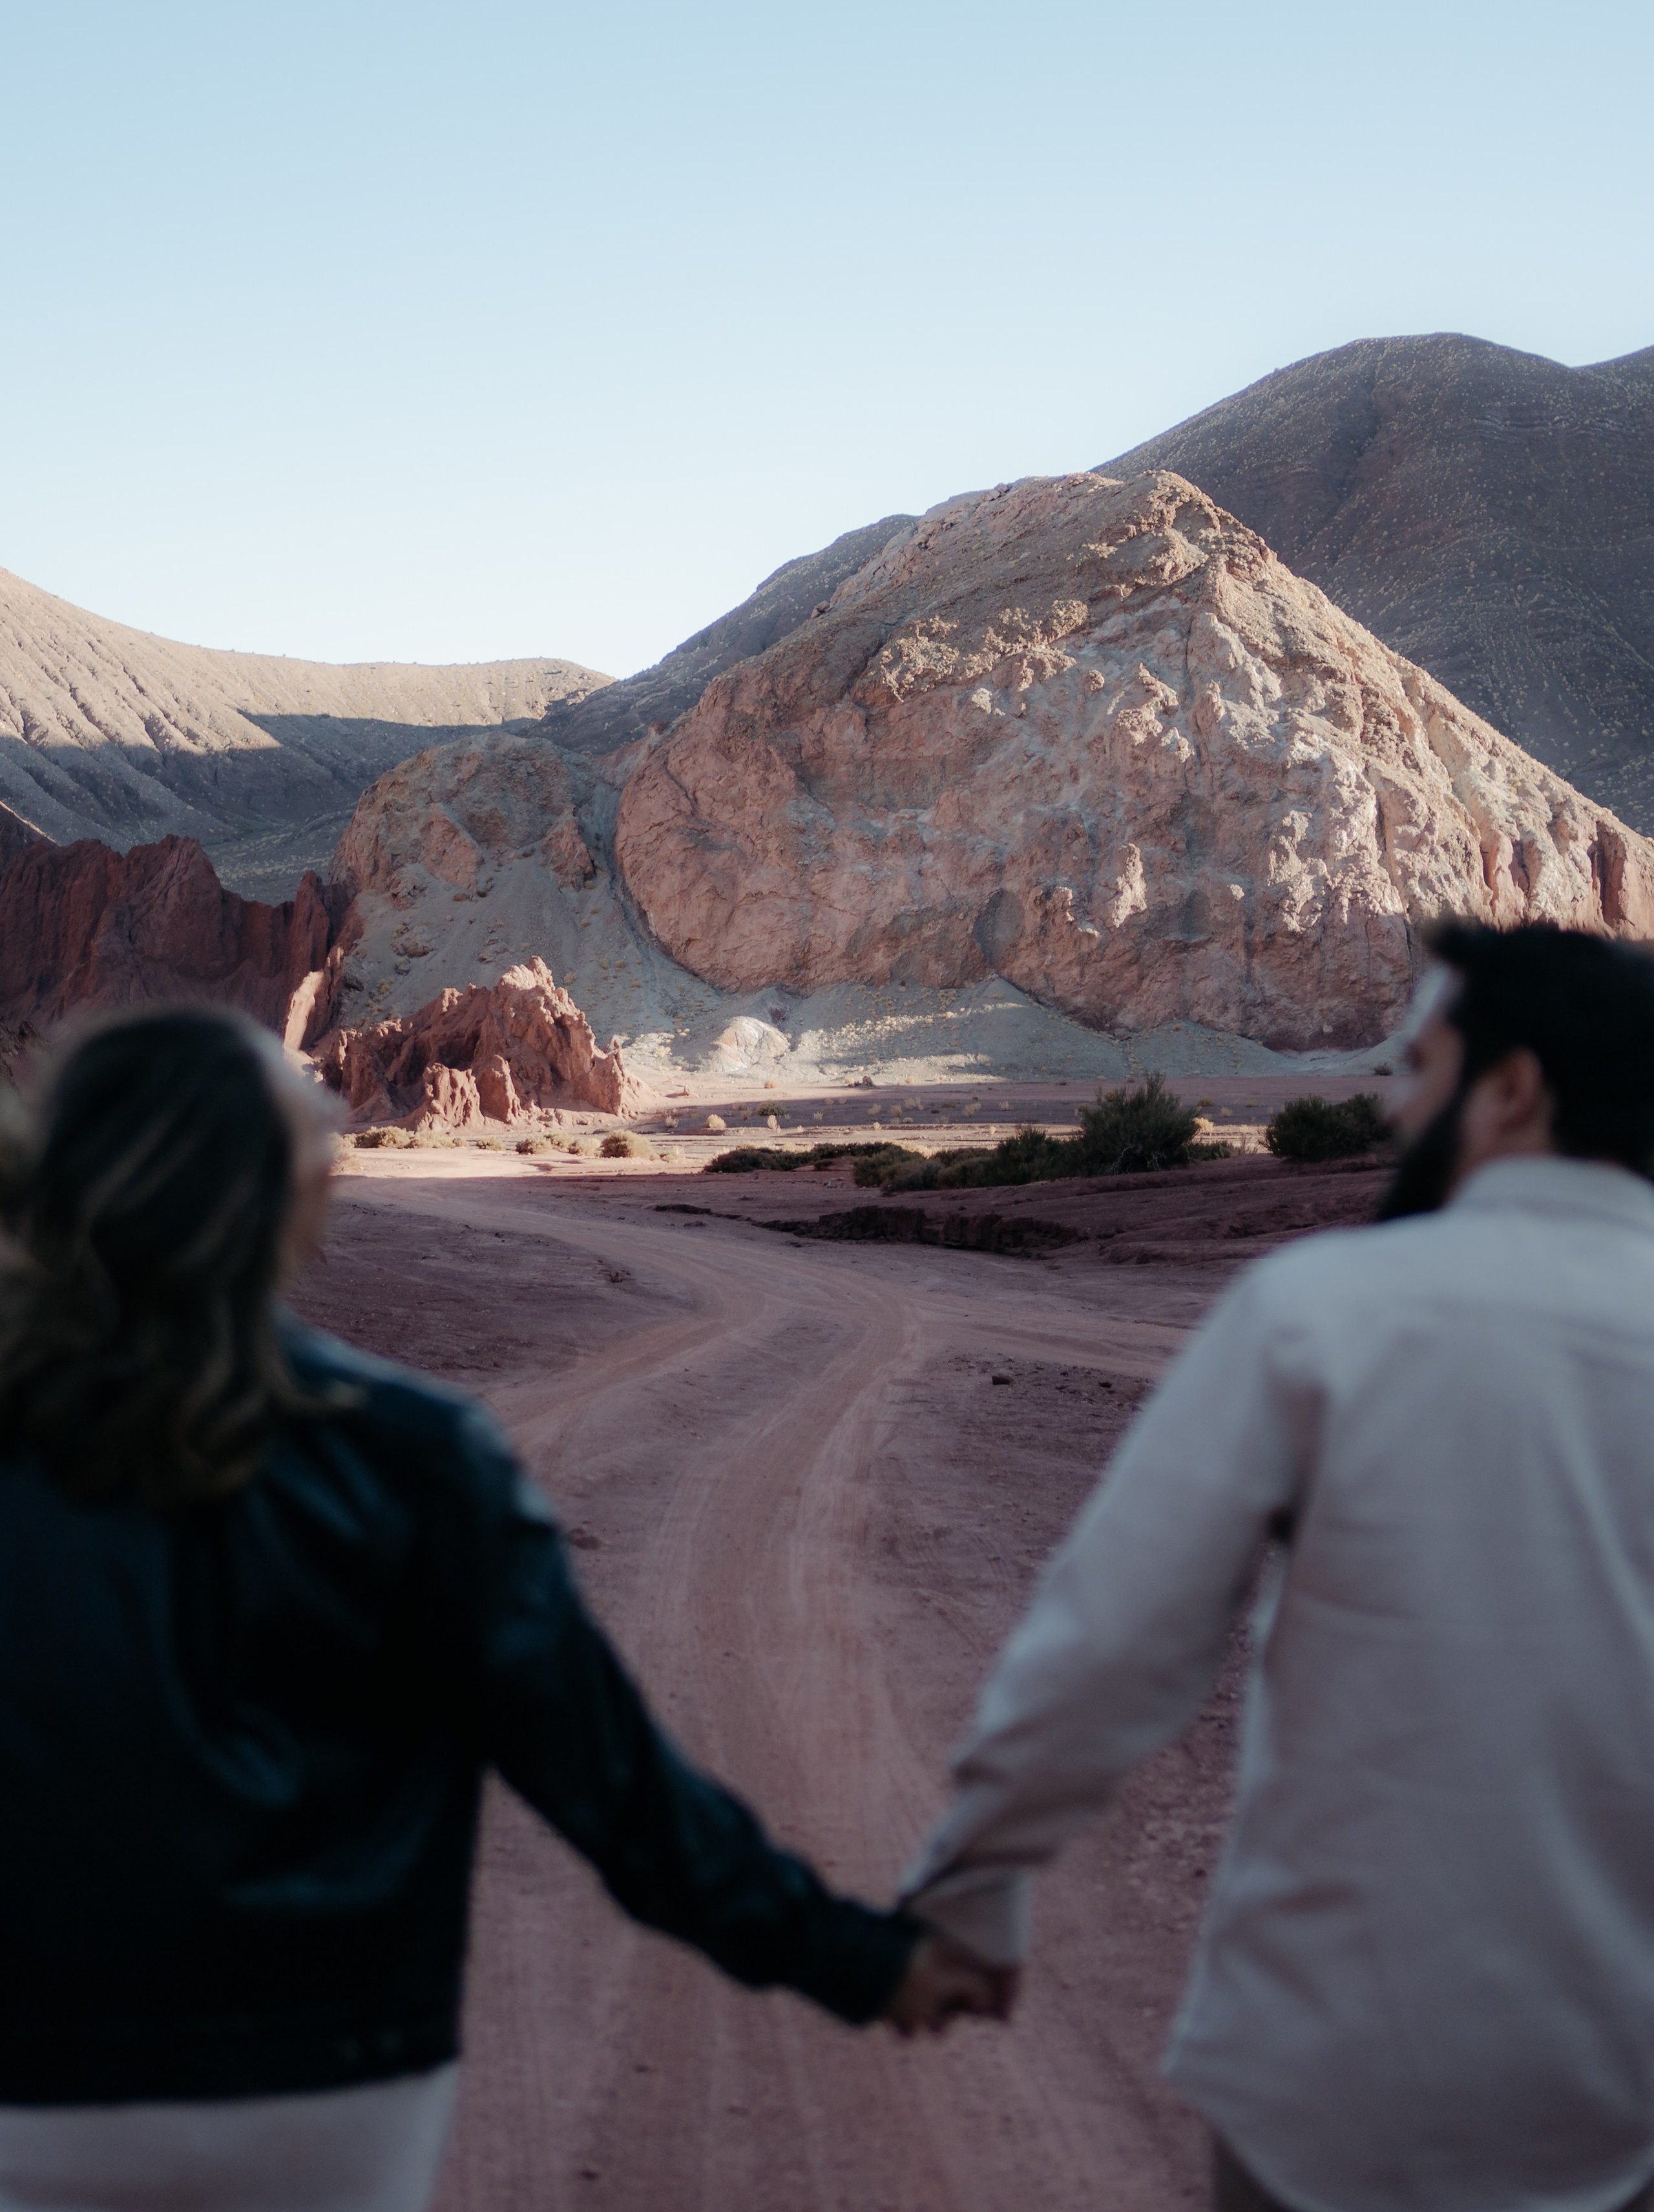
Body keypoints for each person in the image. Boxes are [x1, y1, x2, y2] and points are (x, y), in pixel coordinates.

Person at [0, 1007, 996, 2212]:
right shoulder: (421, 1461)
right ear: (302, 1199)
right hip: (332, 2085)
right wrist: (861, 1960)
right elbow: (619, 1793)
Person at [901, 920, 1654, 2212]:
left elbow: (1113, 1636)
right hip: (1613, 2106)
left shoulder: (1321, 1309)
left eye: (1418, 1069)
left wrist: (974, 1878)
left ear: (1513, 1087)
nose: (1397, 1103)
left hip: (1335, 2089)